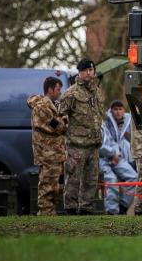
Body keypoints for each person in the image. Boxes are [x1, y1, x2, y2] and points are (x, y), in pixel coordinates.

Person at [58, 58, 104, 214]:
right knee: (73, 178)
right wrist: (66, 132)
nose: (89, 73)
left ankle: (86, 207)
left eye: (91, 70)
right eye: (86, 70)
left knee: (91, 180)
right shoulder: (71, 93)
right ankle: (70, 207)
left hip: (94, 143)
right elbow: (59, 116)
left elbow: (99, 114)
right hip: (77, 145)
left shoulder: (97, 92)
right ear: (80, 72)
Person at [27, 77, 68, 216]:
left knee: (55, 185)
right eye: (57, 89)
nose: (59, 92)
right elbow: (58, 127)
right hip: (47, 153)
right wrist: (64, 120)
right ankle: (45, 212)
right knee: (48, 186)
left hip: (54, 153)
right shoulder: (43, 108)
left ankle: (50, 212)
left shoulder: (51, 105)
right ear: (50, 89)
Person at [100, 100, 137, 215]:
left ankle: (123, 206)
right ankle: (112, 213)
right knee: (111, 181)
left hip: (120, 158)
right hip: (104, 159)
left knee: (134, 178)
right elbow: (101, 144)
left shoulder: (130, 121)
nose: (118, 112)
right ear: (111, 111)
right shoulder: (105, 123)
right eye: (115, 109)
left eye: (120, 109)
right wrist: (111, 154)